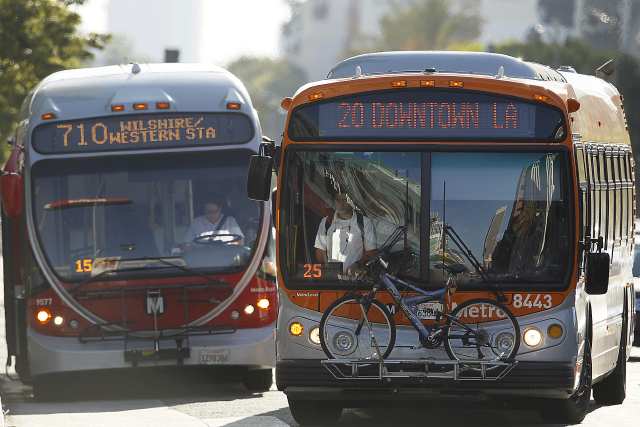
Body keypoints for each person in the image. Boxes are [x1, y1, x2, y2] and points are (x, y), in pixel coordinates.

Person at [314, 192, 376, 274]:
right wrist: (327, 269)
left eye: (344, 200)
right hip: (332, 280)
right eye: (338, 200)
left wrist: (357, 265)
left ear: (351, 201)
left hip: (355, 281)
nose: (341, 204)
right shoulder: (326, 222)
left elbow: (371, 253)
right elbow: (320, 251)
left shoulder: (364, 222)